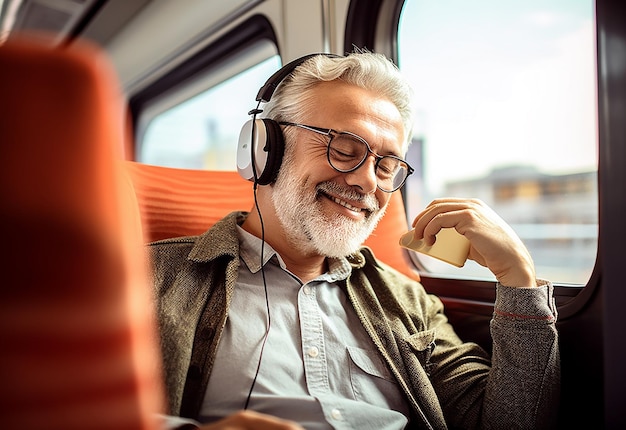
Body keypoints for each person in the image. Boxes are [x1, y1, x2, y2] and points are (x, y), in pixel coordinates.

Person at [150, 51, 559, 430]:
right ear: (265, 149)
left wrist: (518, 279)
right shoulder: (145, 278)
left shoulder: (408, 300)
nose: (367, 181)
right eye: (344, 149)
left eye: (386, 165)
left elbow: (504, 422)